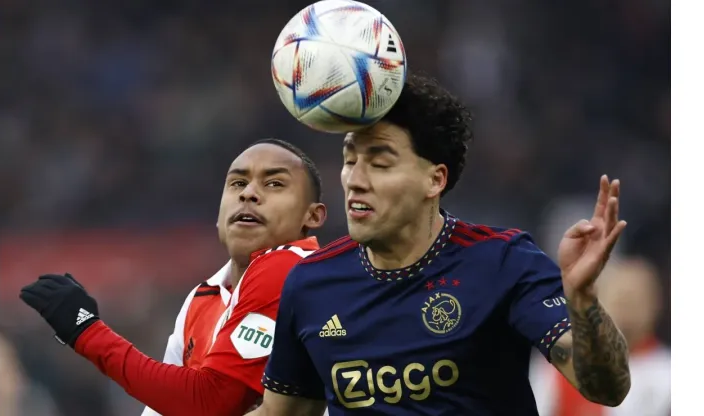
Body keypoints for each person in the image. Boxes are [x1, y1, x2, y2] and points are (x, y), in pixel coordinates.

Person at [249, 74, 631, 415]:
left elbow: (606, 389)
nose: (355, 180)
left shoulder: (503, 262)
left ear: (435, 180)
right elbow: (282, 412)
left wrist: (582, 300)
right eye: (350, 160)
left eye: (380, 163)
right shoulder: (311, 283)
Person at [19, 139, 328, 416]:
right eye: (236, 183)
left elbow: (211, 401)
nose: (248, 193)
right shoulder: (202, 297)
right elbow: (170, 404)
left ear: (312, 216)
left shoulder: (294, 269)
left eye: (274, 183)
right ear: (219, 213)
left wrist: (87, 332)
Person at [530, 256, 671, 416]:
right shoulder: (557, 363)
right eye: (619, 297)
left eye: (636, 298)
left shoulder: (670, 371)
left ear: (656, 304)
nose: (627, 308)